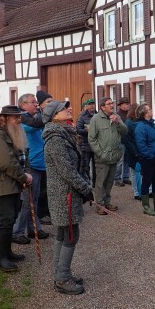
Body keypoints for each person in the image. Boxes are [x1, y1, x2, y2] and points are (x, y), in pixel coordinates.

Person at [42, 100, 93, 295]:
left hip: (67, 193)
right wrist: (85, 189)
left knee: (65, 234)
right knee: (70, 235)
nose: (69, 109)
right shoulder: (55, 139)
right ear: (54, 116)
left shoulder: (63, 133)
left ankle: (61, 273)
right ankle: (62, 279)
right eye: (64, 109)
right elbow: (67, 171)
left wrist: (83, 188)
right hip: (65, 195)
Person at [0, 105, 33, 272]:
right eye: (15, 118)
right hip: (1, 184)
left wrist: (24, 175)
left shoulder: (10, 132)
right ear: (3, 118)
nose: (19, 120)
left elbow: (21, 155)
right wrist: (23, 177)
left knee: (10, 219)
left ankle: (8, 252)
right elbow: (7, 162)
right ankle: (0, 259)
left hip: (12, 183)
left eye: (19, 117)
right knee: (5, 221)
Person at [12, 93, 49, 245]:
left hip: (39, 164)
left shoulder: (33, 118)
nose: (36, 104)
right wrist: (45, 111)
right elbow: (36, 126)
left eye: (36, 102)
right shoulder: (23, 120)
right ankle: (17, 232)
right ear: (23, 105)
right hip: (31, 164)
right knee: (27, 201)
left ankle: (34, 228)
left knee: (35, 199)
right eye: (32, 102)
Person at [88, 97, 127, 215]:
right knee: (100, 182)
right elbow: (91, 139)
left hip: (114, 156)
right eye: (109, 104)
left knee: (110, 181)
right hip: (102, 157)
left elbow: (125, 132)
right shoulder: (96, 119)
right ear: (102, 107)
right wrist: (100, 153)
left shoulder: (116, 117)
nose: (112, 105)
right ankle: (100, 205)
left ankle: (107, 202)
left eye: (112, 103)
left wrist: (117, 122)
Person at [134, 103, 155, 216]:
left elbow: (154, 140)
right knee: (147, 182)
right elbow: (141, 145)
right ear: (144, 113)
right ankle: (146, 206)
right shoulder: (140, 127)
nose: (151, 110)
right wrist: (151, 155)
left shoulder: (152, 124)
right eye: (149, 109)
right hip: (148, 159)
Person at [35, 90, 53, 225]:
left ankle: (47, 211)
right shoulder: (37, 118)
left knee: (48, 187)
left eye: (52, 101)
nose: (50, 104)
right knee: (41, 188)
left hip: (48, 155)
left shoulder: (51, 116)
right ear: (40, 105)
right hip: (39, 157)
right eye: (48, 102)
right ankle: (41, 214)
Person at [122, 103, 142, 200]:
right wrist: (134, 151)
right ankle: (136, 192)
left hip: (138, 150)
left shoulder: (138, 121)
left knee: (139, 171)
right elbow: (127, 139)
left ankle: (141, 191)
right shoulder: (129, 122)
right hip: (133, 151)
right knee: (134, 171)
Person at [76, 98, 96, 187]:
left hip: (96, 145)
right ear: (87, 106)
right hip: (85, 144)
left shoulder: (98, 115)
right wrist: (87, 131)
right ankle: (88, 183)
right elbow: (78, 130)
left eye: (93, 104)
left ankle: (96, 184)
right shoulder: (82, 116)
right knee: (86, 166)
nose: (92, 105)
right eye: (90, 104)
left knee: (97, 166)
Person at [114, 97, 132, 187]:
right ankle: (117, 179)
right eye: (126, 104)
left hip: (128, 141)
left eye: (128, 103)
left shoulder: (129, 114)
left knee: (127, 161)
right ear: (121, 105)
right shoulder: (117, 115)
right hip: (121, 141)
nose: (128, 105)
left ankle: (125, 177)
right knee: (120, 161)